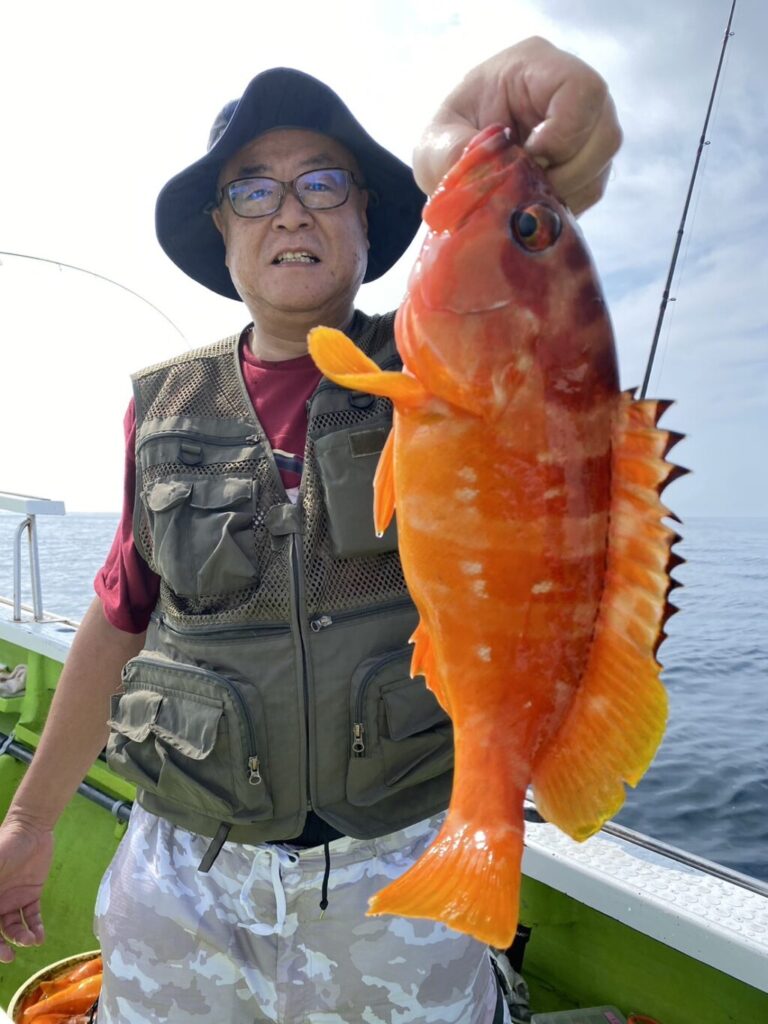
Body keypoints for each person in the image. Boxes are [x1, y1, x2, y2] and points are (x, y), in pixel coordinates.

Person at [0, 37, 621, 1023]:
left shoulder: (446, 363)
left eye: (323, 182)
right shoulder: (161, 408)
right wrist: (31, 821)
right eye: (253, 190)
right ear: (222, 228)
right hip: (183, 872)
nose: (290, 209)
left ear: (369, 217)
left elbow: (525, 301)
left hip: (393, 867)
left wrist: (536, 145)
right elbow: (119, 616)